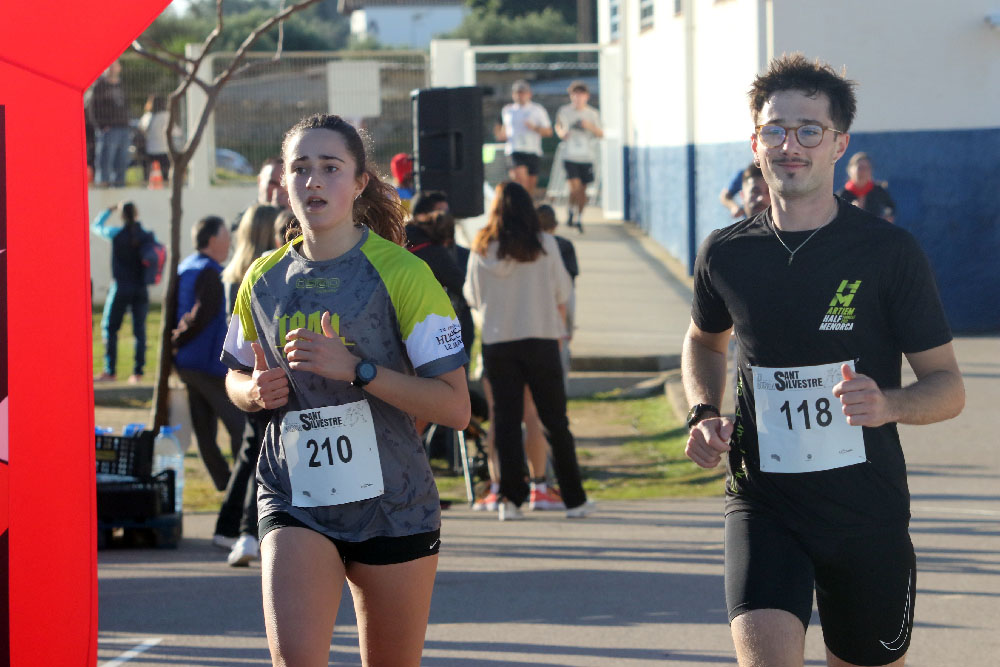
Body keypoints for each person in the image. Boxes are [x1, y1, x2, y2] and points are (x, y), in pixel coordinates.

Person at [682, 54, 965, 667]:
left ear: (839, 144)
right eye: (775, 130)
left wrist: (888, 403)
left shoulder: (887, 253)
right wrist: (702, 409)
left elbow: (948, 387)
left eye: (809, 129)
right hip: (764, 504)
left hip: (866, 511)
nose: (791, 145)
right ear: (755, 143)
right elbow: (704, 341)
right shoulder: (726, 253)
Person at [221, 113, 469, 665]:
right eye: (300, 168)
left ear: (359, 182)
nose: (313, 181)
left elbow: (455, 407)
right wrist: (254, 393)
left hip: (394, 504)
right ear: (283, 183)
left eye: (330, 168)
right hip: (294, 498)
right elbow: (234, 379)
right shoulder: (260, 280)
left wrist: (360, 370)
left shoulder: (405, 274)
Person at [463, 181, 592, 521]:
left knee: (505, 421)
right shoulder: (545, 245)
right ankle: (574, 498)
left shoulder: (481, 248)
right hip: (541, 338)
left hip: (497, 341)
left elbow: (472, 296)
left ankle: (509, 498)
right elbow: (562, 292)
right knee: (554, 421)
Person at [213, 203, 281, 565]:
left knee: (249, 452)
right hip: (258, 368)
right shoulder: (266, 271)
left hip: (245, 369)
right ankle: (243, 531)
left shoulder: (238, 271)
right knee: (256, 453)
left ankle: (232, 528)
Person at [172, 216, 244, 493]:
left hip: (187, 363)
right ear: (213, 239)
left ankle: (224, 484)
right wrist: (178, 338)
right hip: (207, 364)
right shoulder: (211, 272)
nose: (229, 242)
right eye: (226, 235)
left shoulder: (185, 267)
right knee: (239, 428)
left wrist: (175, 344)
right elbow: (200, 315)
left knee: (204, 431)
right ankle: (238, 488)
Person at [92, 201, 154, 384]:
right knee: (139, 331)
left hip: (120, 287)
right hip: (140, 287)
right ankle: (138, 373)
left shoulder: (117, 234)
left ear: (122, 216)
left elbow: (96, 227)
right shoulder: (147, 236)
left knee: (110, 328)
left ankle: (110, 371)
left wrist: (108, 209)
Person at [555, 81, 603, 232]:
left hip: (586, 156)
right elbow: (558, 125)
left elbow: (601, 134)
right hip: (570, 156)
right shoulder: (564, 111)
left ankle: (579, 217)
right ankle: (570, 209)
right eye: (574, 95)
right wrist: (562, 133)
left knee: (583, 190)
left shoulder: (592, 114)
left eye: (581, 95)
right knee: (574, 187)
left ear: (586, 97)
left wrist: (589, 126)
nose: (578, 98)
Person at [494, 80, 552, 199]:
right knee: (521, 181)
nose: (520, 96)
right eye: (517, 93)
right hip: (515, 150)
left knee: (530, 185)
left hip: (532, 150)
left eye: (522, 93)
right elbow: (499, 126)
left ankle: (526, 207)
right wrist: (500, 134)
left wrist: (534, 127)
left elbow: (548, 132)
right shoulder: (507, 110)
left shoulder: (537, 110)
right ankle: (518, 208)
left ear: (529, 94)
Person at [87, 60, 131, 187]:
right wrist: (100, 126)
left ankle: (119, 187)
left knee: (122, 162)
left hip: (123, 129)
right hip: (108, 130)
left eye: (115, 64)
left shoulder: (122, 85)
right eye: (110, 65)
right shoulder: (99, 86)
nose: (112, 67)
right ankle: (103, 186)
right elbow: (92, 109)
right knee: (105, 162)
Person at [838, 151, 896, 222]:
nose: (863, 172)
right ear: (850, 171)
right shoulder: (842, 195)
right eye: (860, 168)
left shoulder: (879, 191)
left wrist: (888, 216)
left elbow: (891, 208)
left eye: (866, 168)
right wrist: (851, 212)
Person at [138, 94, 172, 185]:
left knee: (147, 171)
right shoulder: (167, 116)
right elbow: (175, 131)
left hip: (150, 149)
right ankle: (166, 186)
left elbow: (141, 128)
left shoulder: (147, 116)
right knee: (165, 172)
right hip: (164, 149)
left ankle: (145, 184)